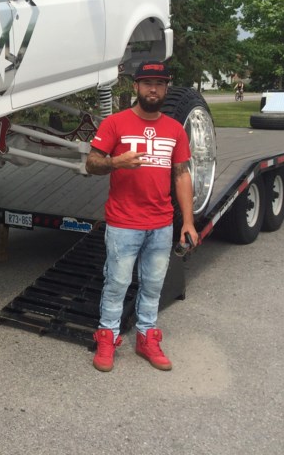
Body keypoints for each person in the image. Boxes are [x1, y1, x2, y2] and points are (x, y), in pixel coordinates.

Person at [85, 60, 198, 372]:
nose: (153, 88)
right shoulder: (115, 124)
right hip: (123, 224)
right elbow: (91, 163)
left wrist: (187, 221)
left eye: (160, 83)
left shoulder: (175, 130)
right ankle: (107, 337)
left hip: (161, 225)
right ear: (136, 86)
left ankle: (147, 337)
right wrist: (115, 162)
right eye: (147, 83)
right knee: (117, 282)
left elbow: (182, 176)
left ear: (166, 88)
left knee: (153, 285)